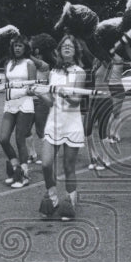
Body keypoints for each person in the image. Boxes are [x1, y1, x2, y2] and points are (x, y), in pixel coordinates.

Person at [35, 34, 87, 220]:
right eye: (64, 46)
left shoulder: (79, 72)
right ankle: (52, 198)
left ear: (75, 51)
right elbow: (51, 102)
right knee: (47, 164)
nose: (66, 48)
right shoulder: (53, 73)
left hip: (71, 123)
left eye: (70, 46)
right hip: (54, 121)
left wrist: (66, 95)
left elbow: (75, 102)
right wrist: (40, 93)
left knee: (68, 166)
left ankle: (71, 199)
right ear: (59, 50)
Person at [0, 31, 37, 188]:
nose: (17, 48)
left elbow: (33, 87)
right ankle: (16, 167)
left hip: (25, 104)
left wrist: (25, 90)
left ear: (25, 48)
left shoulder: (29, 63)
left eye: (20, 46)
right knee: (3, 139)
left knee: (20, 138)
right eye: (15, 46)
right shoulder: (8, 64)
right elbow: (6, 83)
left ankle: (24, 175)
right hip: (10, 104)